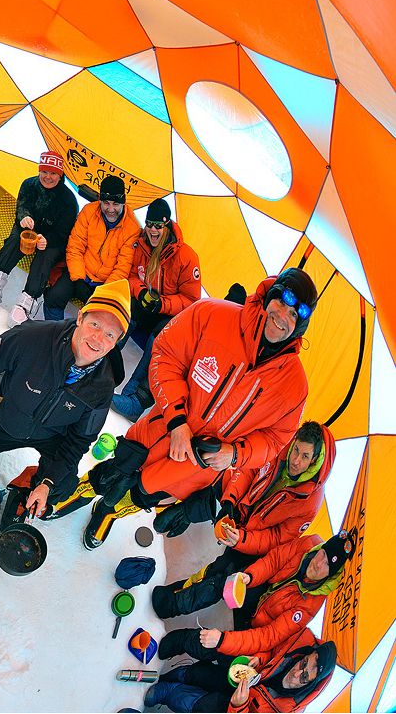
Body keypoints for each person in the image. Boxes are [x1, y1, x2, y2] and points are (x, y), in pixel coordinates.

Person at [76, 268, 316, 549]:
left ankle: (108, 513)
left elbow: (276, 440)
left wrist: (236, 455)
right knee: (115, 473)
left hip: (197, 466)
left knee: (144, 495)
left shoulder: (295, 386)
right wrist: (177, 421)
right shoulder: (212, 314)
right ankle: (70, 495)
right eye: (281, 303)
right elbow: (165, 355)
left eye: (295, 315)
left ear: (300, 326)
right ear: (269, 297)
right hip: (161, 429)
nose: (283, 317)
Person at [0, 279, 129, 517]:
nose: (98, 339)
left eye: (109, 334)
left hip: (51, 435)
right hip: (8, 419)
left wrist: (47, 482)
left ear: (116, 342)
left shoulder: (103, 386)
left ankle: (26, 489)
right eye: (95, 324)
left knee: (62, 485)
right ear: (81, 317)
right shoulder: (31, 336)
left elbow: (78, 441)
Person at [152, 421, 336, 617]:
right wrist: (229, 502)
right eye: (296, 450)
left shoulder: (310, 501)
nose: (296, 460)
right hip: (238, 509)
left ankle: (175, 604)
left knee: (225, 574)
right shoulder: (279, 448)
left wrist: (242, 540)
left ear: (314, 460)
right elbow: (248, 469)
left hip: (254, 539)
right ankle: (189, 512)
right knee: (211, 481)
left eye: (305, 456)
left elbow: (276, 538)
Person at [157, 529, 356, 666]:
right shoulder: (309, 543)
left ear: (332, 575)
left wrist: (223, 640)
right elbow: (274, 560)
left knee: (223, 648)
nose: (319, 564)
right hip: (259, 588)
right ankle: (171, 605)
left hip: (259, 624)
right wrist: (249, 576)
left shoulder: (311, 605)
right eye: (322, 554)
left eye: (328, 565)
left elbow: (269, 635)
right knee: (224, 582)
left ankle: (178, 642)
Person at [111, 197, 202, 421]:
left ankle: (135, 398)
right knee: (125, 310)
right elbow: (132, 276)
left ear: (166, 225)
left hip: (171, 313)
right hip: (148, 303)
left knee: (159, 340)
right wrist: (141, 291)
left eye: (158, 226)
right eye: (149, 224)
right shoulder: (140, 243)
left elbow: (191, 300)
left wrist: (163, 304)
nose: (152, 230)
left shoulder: (186, 257)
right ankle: (100, 361)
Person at [0, 150, 78, 323]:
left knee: (45, 257)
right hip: (29, 231)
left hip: (53, 239)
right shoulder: (29, 185)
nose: (48, 177)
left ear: (60, 175)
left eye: (53, 173)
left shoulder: (68, 200)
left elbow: (65, 233)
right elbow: (21, 207)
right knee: (14, 239)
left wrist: (48, 241)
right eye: (44, 171)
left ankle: (26, 304)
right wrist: (24, 217)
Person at [145, 629, 335, 713]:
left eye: (304, 676)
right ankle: (164, 677)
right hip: (240, 678)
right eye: (303, 664)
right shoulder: (295, 647)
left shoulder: (284, 710)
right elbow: (271, 646)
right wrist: (260, 658)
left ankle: (164, 693)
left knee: (196, 703)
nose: (295, 673)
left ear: (309, 686)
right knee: (198, 673)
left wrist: (239, 706)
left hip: (235, 706)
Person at [40, 175, 138, 323]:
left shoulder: (132, 228)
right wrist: (78, 277)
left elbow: (122, 268)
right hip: (79, 273)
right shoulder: (89, 212)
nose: (111, 209)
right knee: (53, 298)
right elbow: (75, 245)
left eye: (116, 204)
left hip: (102, 285)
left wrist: (103, 292)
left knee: (100, 319)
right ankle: (55, 332)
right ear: (100, 201)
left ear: (124, 202)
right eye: (106, 203)